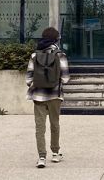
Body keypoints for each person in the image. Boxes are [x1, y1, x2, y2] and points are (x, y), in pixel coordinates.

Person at [26, 26, 70, 169]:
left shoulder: (34, 55)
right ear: (56, 39)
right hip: (55, 95)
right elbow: (65, 78)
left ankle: (41, 157)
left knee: (40, 126)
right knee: (54, 124)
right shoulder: (60, 55)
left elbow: (28, 78)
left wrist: (38, 84)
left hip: (38, 95)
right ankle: (55, 153)